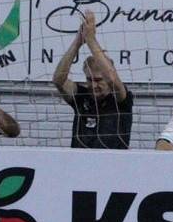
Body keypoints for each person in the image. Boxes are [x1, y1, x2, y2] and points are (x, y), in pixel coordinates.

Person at [52, 11, 132, 149]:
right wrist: (77, 43)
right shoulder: (81, 96)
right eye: (89, 79)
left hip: (113, 166)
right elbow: (58, 80)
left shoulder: (121, 100)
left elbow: (113, 80)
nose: (93, 85)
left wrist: (91, 40)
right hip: (79, 164)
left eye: (98, 80)